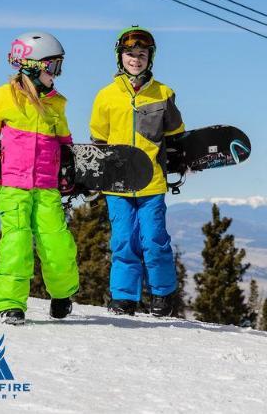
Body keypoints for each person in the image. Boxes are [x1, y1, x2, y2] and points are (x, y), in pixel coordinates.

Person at [0, 31, 79, 325]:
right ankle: (11, 304)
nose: (58, 74)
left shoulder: (57, 104)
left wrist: (72, 170)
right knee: (16, 244)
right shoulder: (4, 97)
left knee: (57, 245)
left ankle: (61, 295)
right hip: (13, 186)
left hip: (47, 188)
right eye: (54, 66)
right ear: (33, 65)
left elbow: (66, 143)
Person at [90, 26, 185, 317]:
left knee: (154, 239)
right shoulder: (105, 96)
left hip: (151, 183)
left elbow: (177, 134)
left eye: (142, 54)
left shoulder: (163, 93)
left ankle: (163, 295)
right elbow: (98, 141)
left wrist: (180, 162)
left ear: (150, 58)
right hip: (116, 184)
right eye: (130, 54)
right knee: (123, 241)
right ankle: (124, 297)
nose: (136, 59)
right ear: (120, 57)